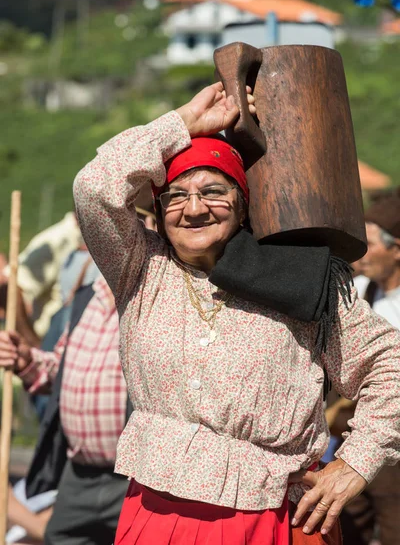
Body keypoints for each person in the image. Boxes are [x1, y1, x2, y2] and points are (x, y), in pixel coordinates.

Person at [73, 82, 400, 545]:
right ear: (159, 210)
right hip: (155, 513)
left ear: (242, 206)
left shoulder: (303, 283)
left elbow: (392, 367)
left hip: (270, 520)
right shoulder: (142, 269)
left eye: (213, 191)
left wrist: (355, 464)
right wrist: (182, 123)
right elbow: (94, 187)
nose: (194, 209)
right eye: (175, 196)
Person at [0, 273, 130, 545]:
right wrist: (27, 362)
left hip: (133, 479)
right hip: (79, 473)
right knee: (60, 537)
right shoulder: (88, 296)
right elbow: (61, 369)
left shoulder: (155, 294)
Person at [336, 189, 400, 545]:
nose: (361, 254)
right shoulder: (358, 289)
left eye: (370, 243)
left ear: (397, 249)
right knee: (347, 529)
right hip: (351, 438)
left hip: (396, 446)